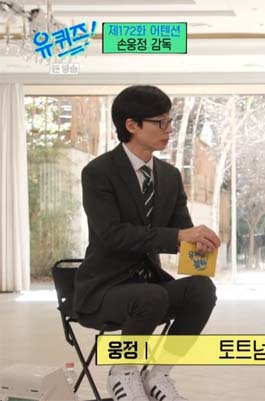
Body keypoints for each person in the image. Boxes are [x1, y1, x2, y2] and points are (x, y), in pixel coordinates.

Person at [73, 85, 221, 401]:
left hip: (150, 287)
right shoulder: (98, 173)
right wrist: (178, 236)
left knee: (202, 289)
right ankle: (123, 372)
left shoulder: (169, 176)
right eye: (160, 122)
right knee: (150, 296)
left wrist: (199, 240)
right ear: (132, 125)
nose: (169, 129)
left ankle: (159, 373)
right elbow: (112, 234)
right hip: (103, 289)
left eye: (170, 121)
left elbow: (180, 230)